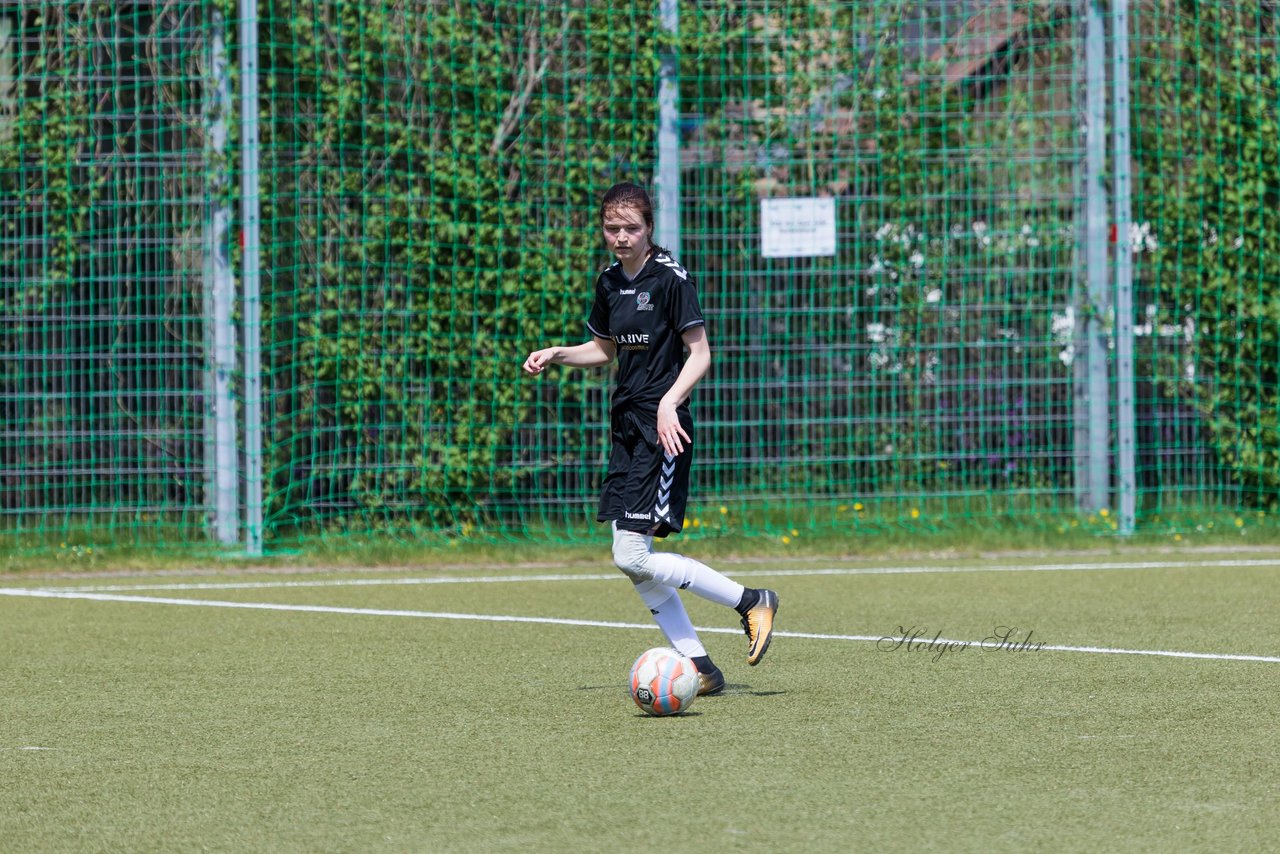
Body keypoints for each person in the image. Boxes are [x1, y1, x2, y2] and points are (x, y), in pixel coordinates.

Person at [522, 181, 778, 696]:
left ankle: (751, 601)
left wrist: (668, 402)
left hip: (665, 427)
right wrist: (556, 353)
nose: (620, 237)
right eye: (611, 228)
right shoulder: (610, 282)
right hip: (627, 425)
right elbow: (605, 351)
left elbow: (700, 354)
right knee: (632, 559)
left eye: (630, 228)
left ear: (649, 229)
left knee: (632, 555)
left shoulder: (670, 279)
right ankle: (701, 668)